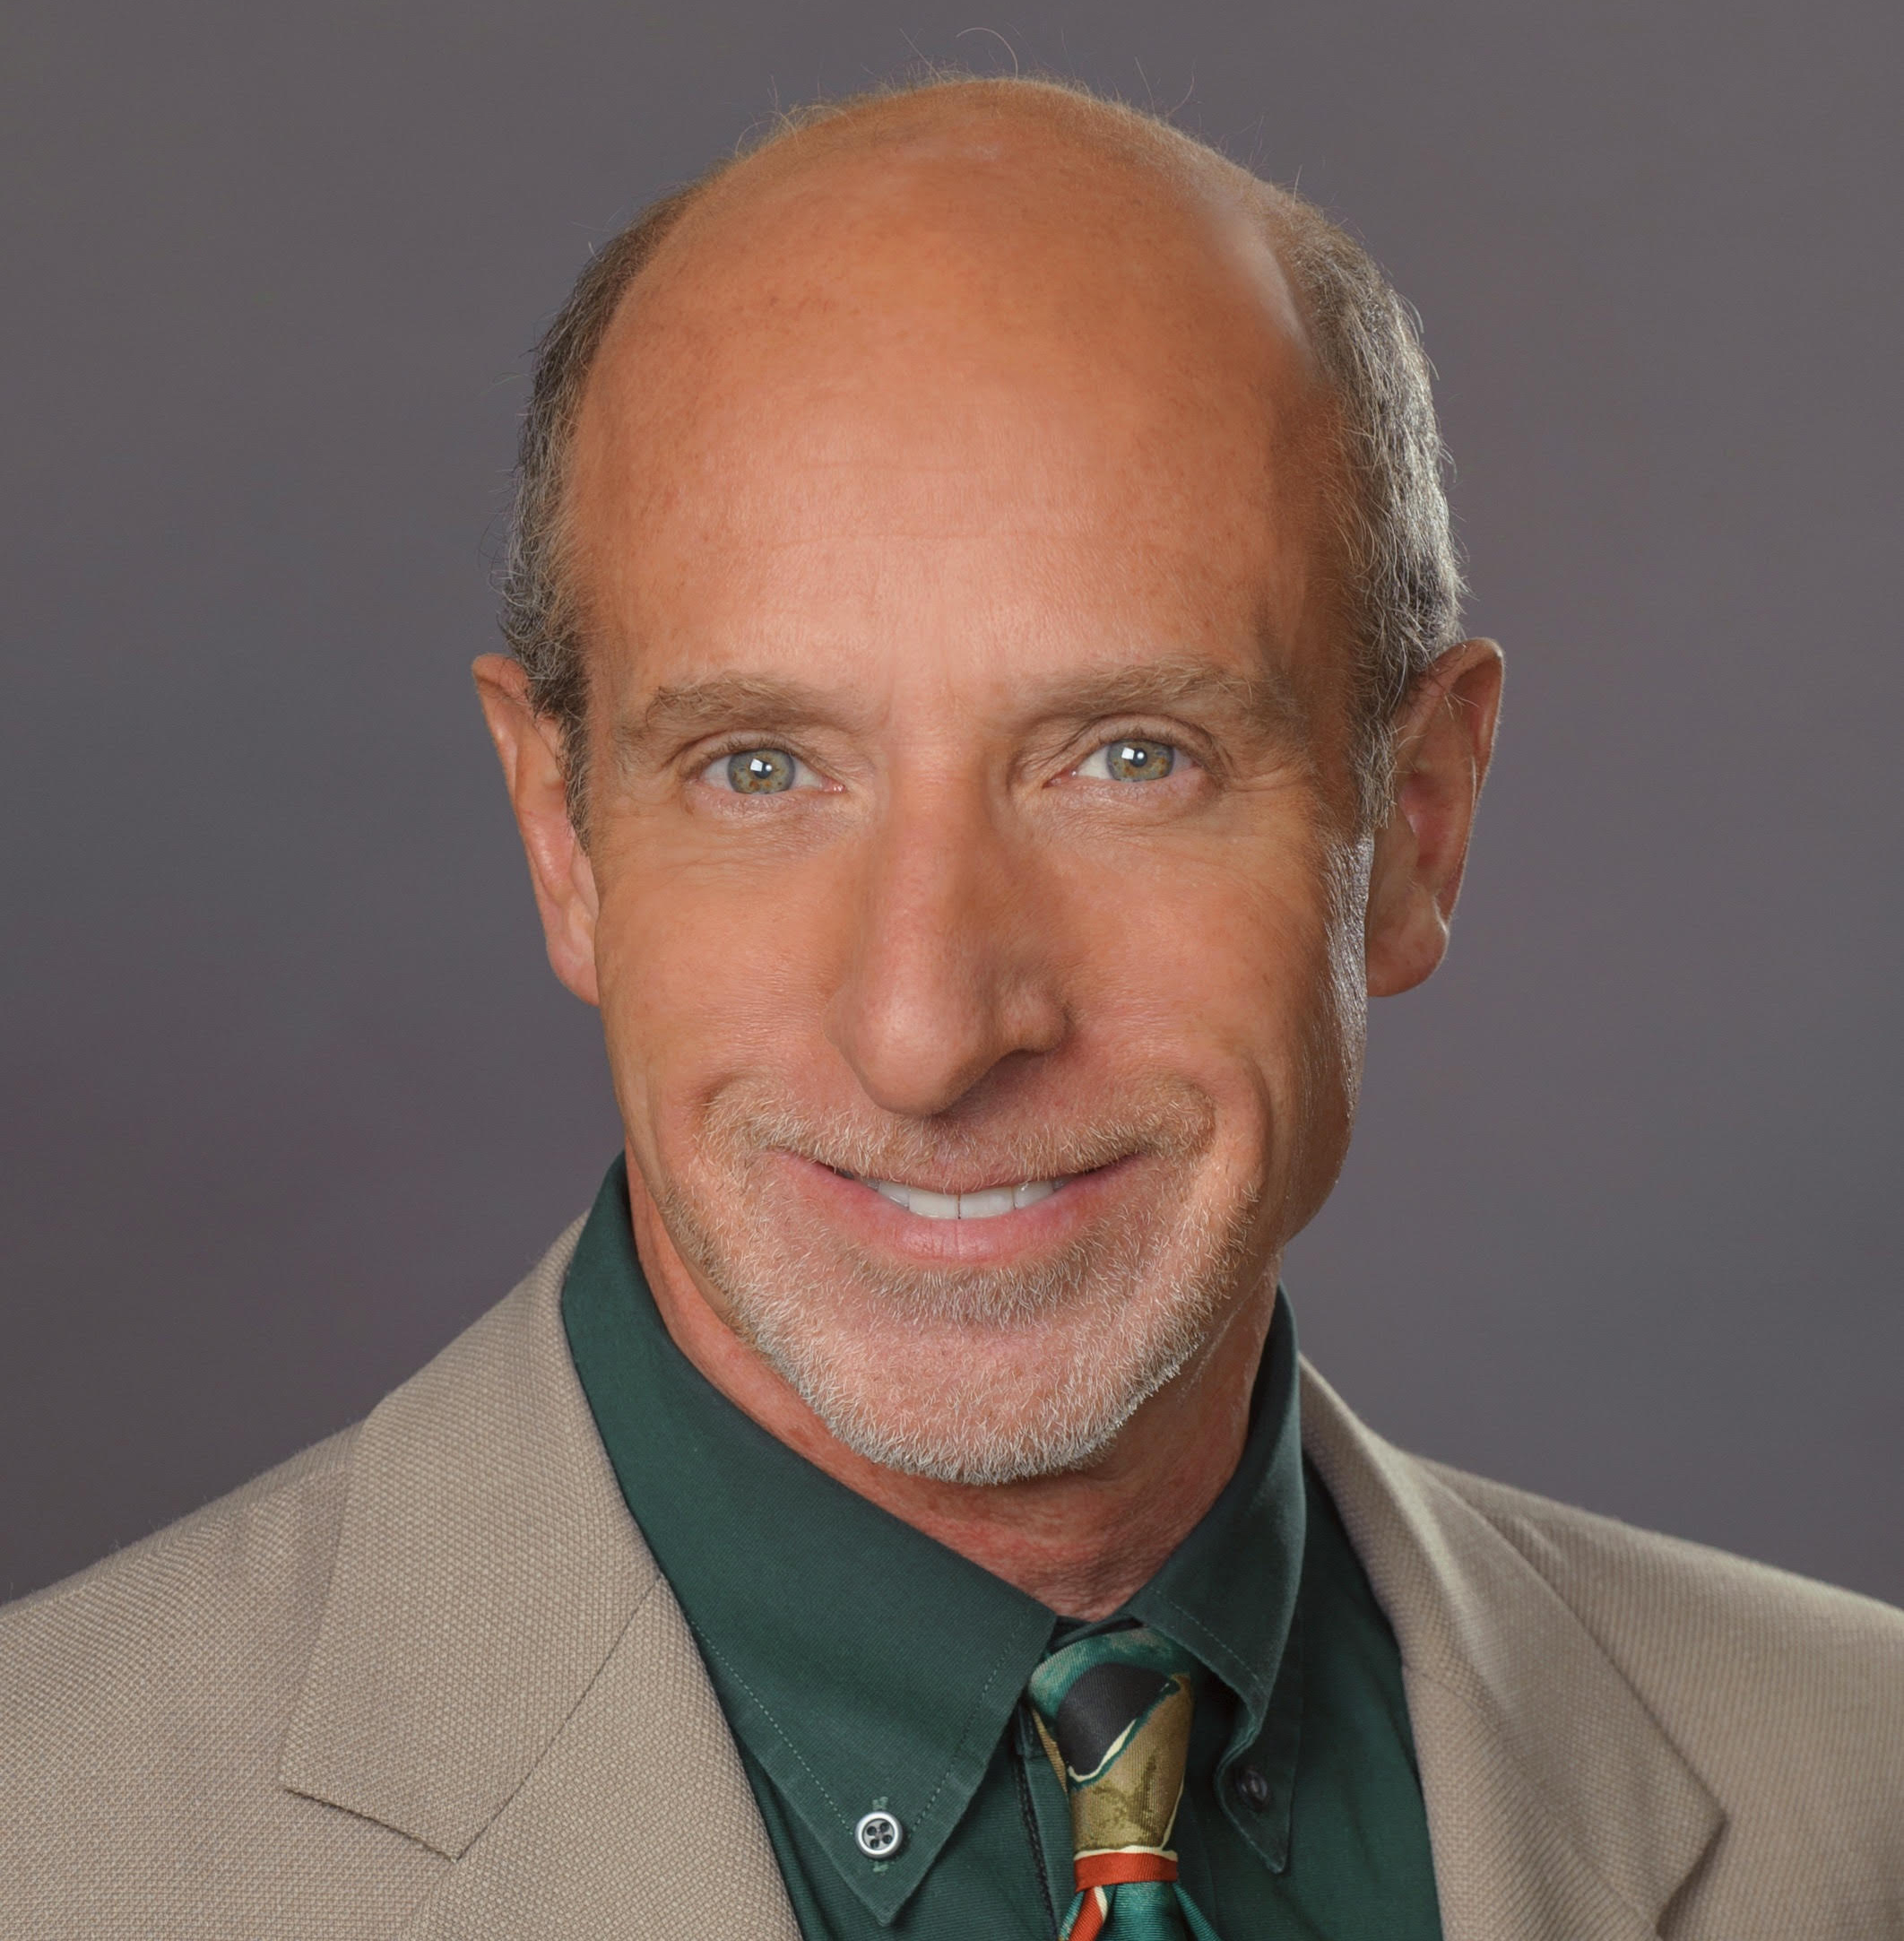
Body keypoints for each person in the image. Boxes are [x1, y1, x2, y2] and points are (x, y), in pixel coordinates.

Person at [3, 73, 1899, 1941]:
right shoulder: (53, 1842)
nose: (928, 1028)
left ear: (1413, 821)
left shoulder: (1860, 1788)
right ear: (561, 838)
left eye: (1129, 756)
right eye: (760, 769)